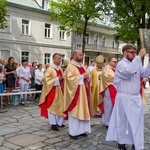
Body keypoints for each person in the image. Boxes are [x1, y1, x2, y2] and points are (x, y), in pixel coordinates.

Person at [106, 44, 150, 150]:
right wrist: (139, 56)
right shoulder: (121, 64)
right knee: (123, 122)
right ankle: (122, 143)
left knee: (137, 122)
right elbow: (128, 72)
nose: (134, 55)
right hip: (124, 97)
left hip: (135, 98)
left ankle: (136, 144)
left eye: (135, 52)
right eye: (132, 52)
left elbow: (145, 73)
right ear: (125, 52)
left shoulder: (136, 63)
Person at [64, 50, 91, 140]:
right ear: (75, 55)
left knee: (83, 111)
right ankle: (73, 132)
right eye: (80, 55)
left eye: (82, 55)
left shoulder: (82, 66)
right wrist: (82, 77)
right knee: (75, 111)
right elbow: (69, 79)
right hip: (75, 94)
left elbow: (87, 75)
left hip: (84, 92)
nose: (82, 56)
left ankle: (82, 131)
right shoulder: (70, 67)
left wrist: (88, 76)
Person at [39, 53, 65, 131]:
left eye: (61, 59)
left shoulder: (60, 68)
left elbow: (62, 77)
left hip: (60, 90)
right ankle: (53, 124)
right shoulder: (50, 69)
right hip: (52, 90)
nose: (60, 60)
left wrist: (63, 79)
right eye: (58, 59)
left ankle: (59, 122)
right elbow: (46, 80)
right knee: (52, 107)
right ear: (54, 59)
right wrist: (57, 79)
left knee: (60, 106)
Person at [99, 57, 117, 128]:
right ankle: (107, 121)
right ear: (109, 61)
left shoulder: (115, 69)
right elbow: (107, 78)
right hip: (109, 89)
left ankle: (112, 121)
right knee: (108, 106)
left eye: (116, 62)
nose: (115, 63)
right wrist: (118, 77)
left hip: (116, 89)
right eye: (114, 62)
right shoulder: (106, 69)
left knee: (114, 105)